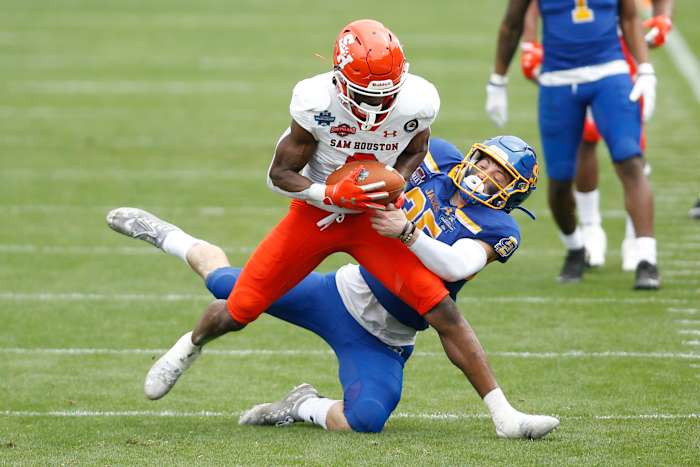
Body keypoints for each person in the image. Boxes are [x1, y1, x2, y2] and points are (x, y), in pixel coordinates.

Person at [107, 135, 558, 439]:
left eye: (499, 174)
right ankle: (172, 238)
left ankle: (300, 405)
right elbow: (381, 153)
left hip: (387, 336)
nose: (483, 171)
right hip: (340, 293)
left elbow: (457, 264)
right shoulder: (436, 156)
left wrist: (409, 233)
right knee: (227, 287)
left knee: (365, 421)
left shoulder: (500, 228)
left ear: (514, 191)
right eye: (484, 160)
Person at [486, 0, 660, 289]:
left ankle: (646, 257)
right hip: (558, 79)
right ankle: (576, 246)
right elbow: (512, 22)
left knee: (629, 159)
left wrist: (645, 69)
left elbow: (629, 16)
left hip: (610, 72)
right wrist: (498, 80)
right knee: (559, 181)